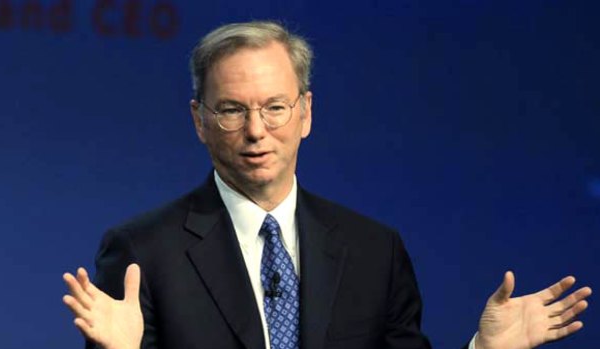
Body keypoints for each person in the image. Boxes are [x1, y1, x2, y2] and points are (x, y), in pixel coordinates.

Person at [62, 21, 592, 349]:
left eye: (274, 107)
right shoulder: (142, 252)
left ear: (305, 113)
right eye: (230, 110)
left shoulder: (373, 250)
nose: (255, 130)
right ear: (199, 120)